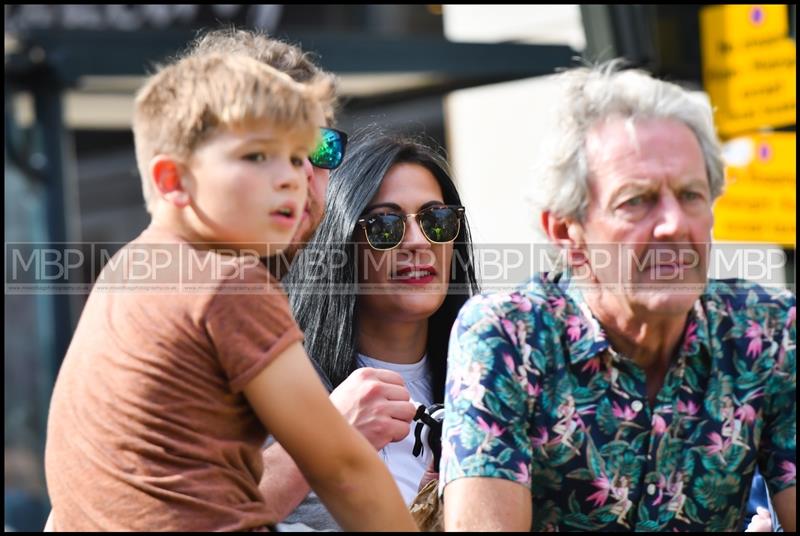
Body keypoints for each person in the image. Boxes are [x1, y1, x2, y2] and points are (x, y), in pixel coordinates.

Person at [43, 52, 417, 531]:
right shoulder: (228, 283)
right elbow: (343, 469)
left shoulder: (129, 269)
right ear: (173, 180)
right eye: (257, 155)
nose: (291, 175)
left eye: (303, 153)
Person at [440, 60, 796, 531]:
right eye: (637, 201)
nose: (673, 224)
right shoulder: (509, 337)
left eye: (691, 195)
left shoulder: (766, 331)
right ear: (566, 230)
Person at [268, 129, 480, 530]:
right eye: (386, 224)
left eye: (436, 220)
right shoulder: (272, 389)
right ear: (338, 246)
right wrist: (329, 436)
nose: (418, 242)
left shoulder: (492, 386)